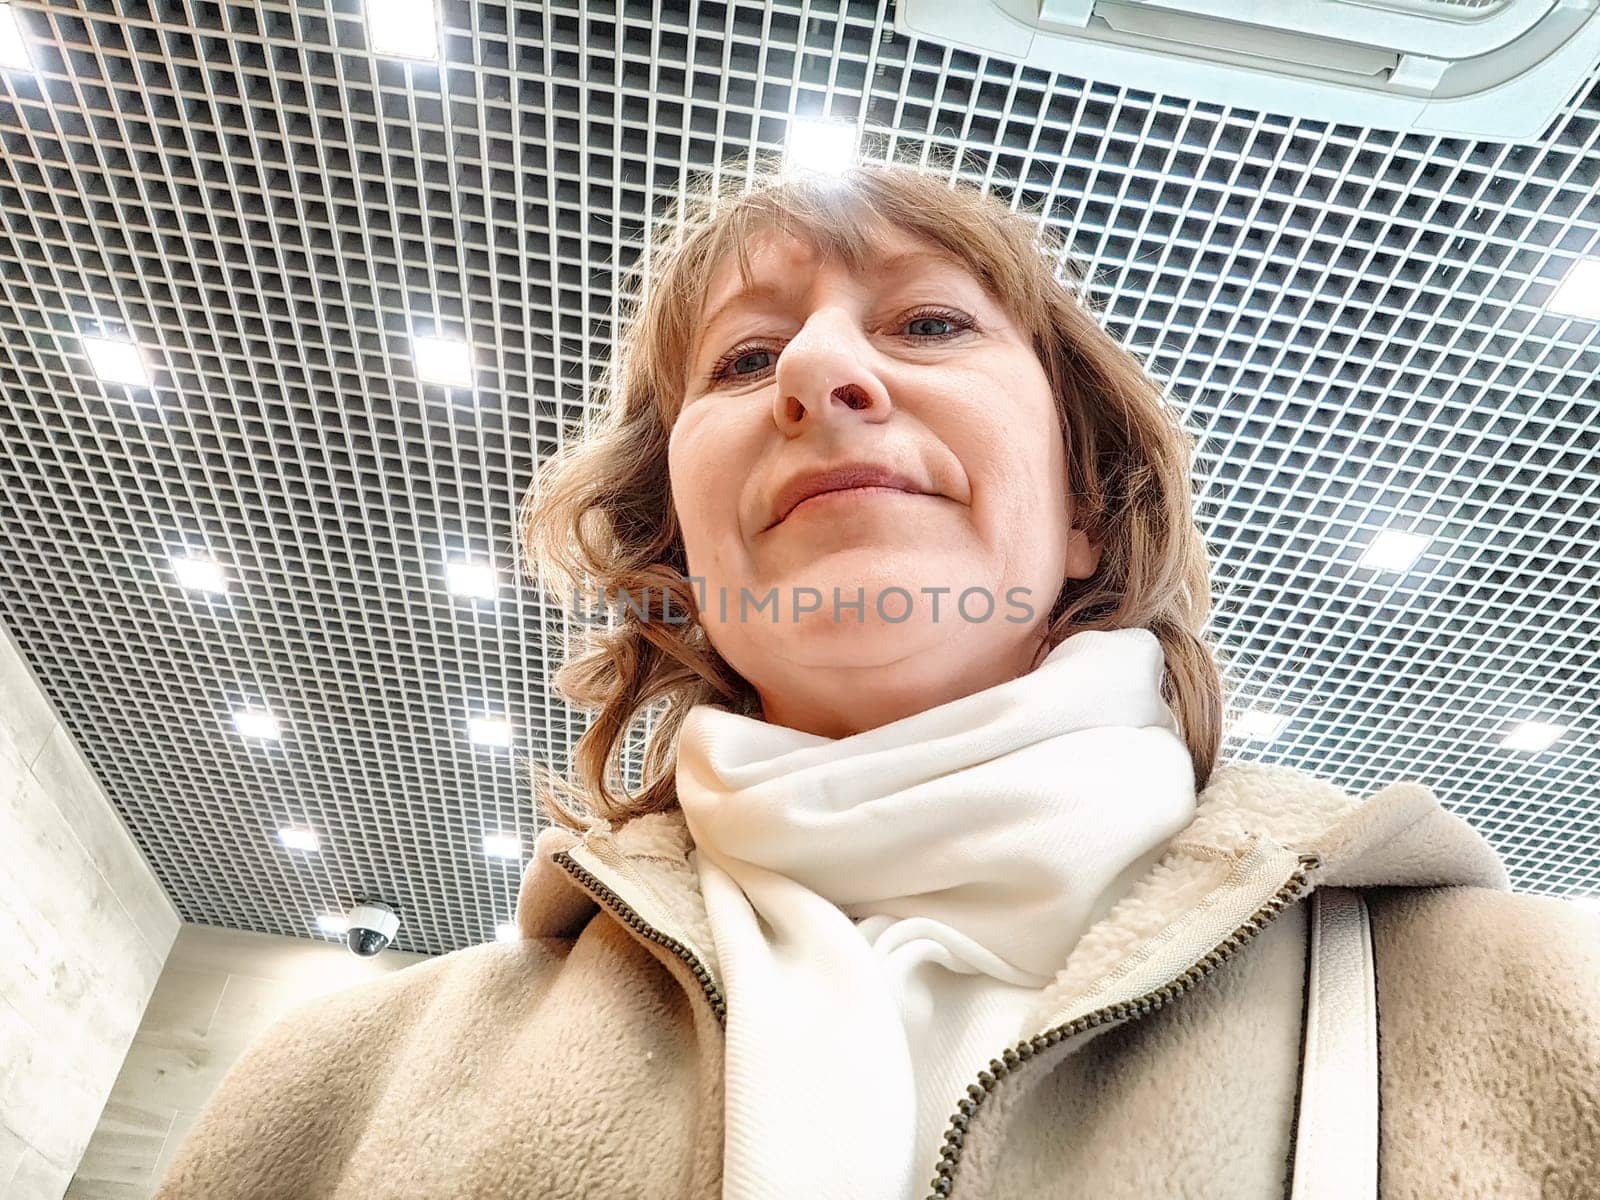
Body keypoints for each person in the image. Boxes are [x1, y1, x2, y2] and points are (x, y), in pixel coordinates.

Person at [154, 154, 1599, 1200]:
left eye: (927, 323)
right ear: (681, 553)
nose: (824, 374)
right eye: (745, 358)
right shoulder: (330, 1095)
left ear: (1088, 504)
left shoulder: (1536, 1001)